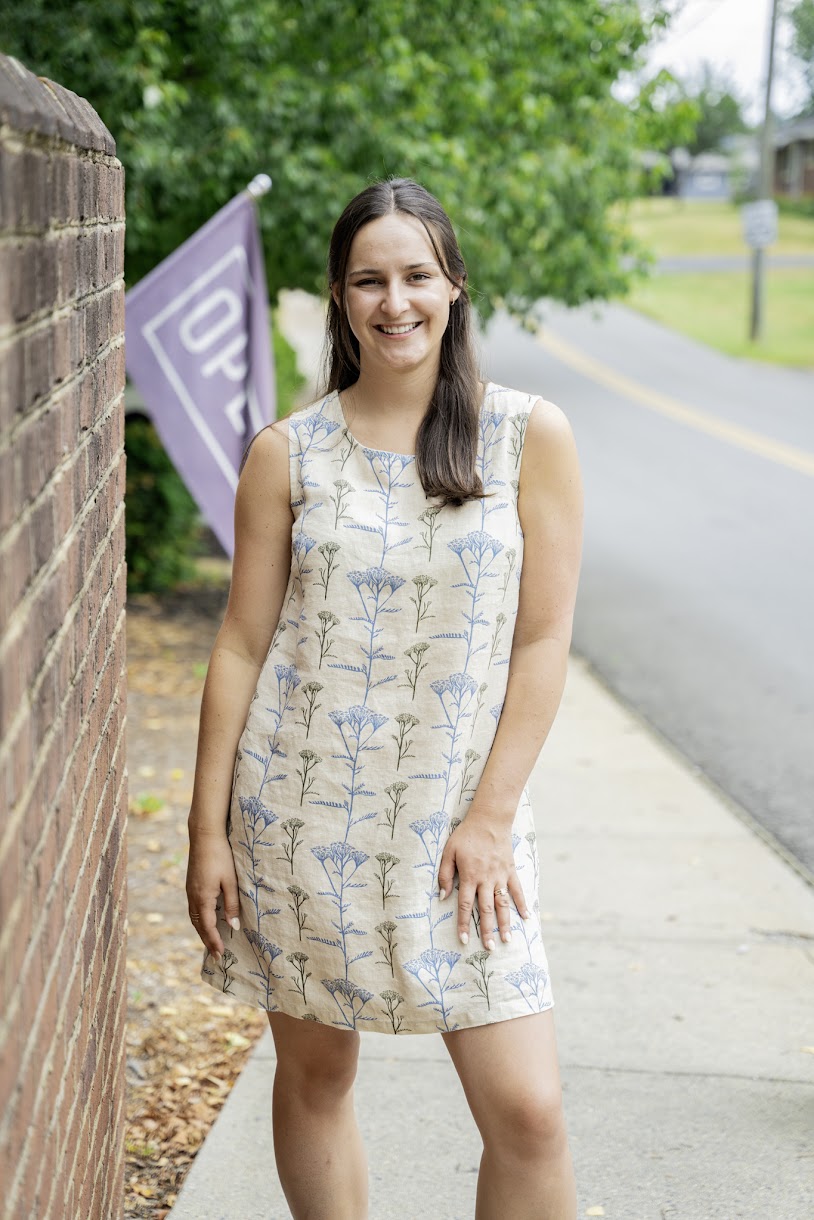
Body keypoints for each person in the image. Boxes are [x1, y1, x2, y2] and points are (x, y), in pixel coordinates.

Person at [186, 177, 583, 1220]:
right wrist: (207, 833)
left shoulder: (525, 437)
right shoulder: (287, 453)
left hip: (464, 830)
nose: (392, 300)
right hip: (301, 818)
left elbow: (543, 639)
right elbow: (239, 645)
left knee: (528, 1111)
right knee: (318, 1076)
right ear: (339, 293)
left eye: (415, 274)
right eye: (369, 278)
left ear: (453, 286)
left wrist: (491, 815)